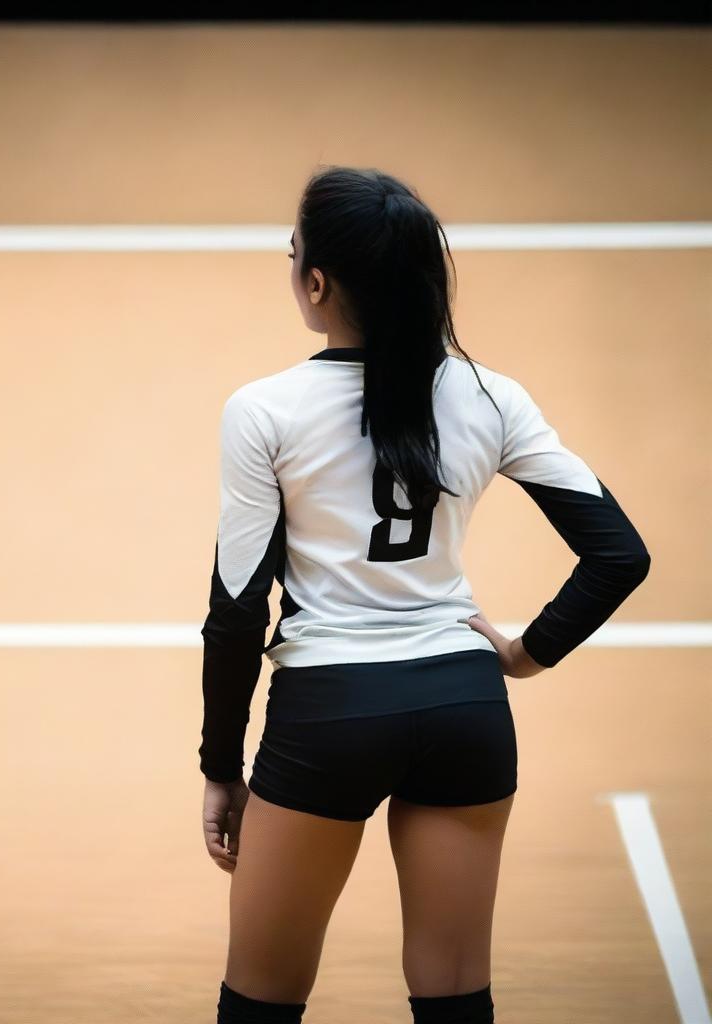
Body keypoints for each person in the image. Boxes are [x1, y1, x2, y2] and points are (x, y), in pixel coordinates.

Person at [197, 166, 651, 1024]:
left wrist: (221, 767)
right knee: (454, 1000)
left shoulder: (262, 411)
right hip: (464, 711)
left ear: (318, 283)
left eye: (294, 254)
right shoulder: (491, 396)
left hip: (326, 716)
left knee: (262, 998)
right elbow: (619, 555)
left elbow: (236, 613)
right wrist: (525, 652)